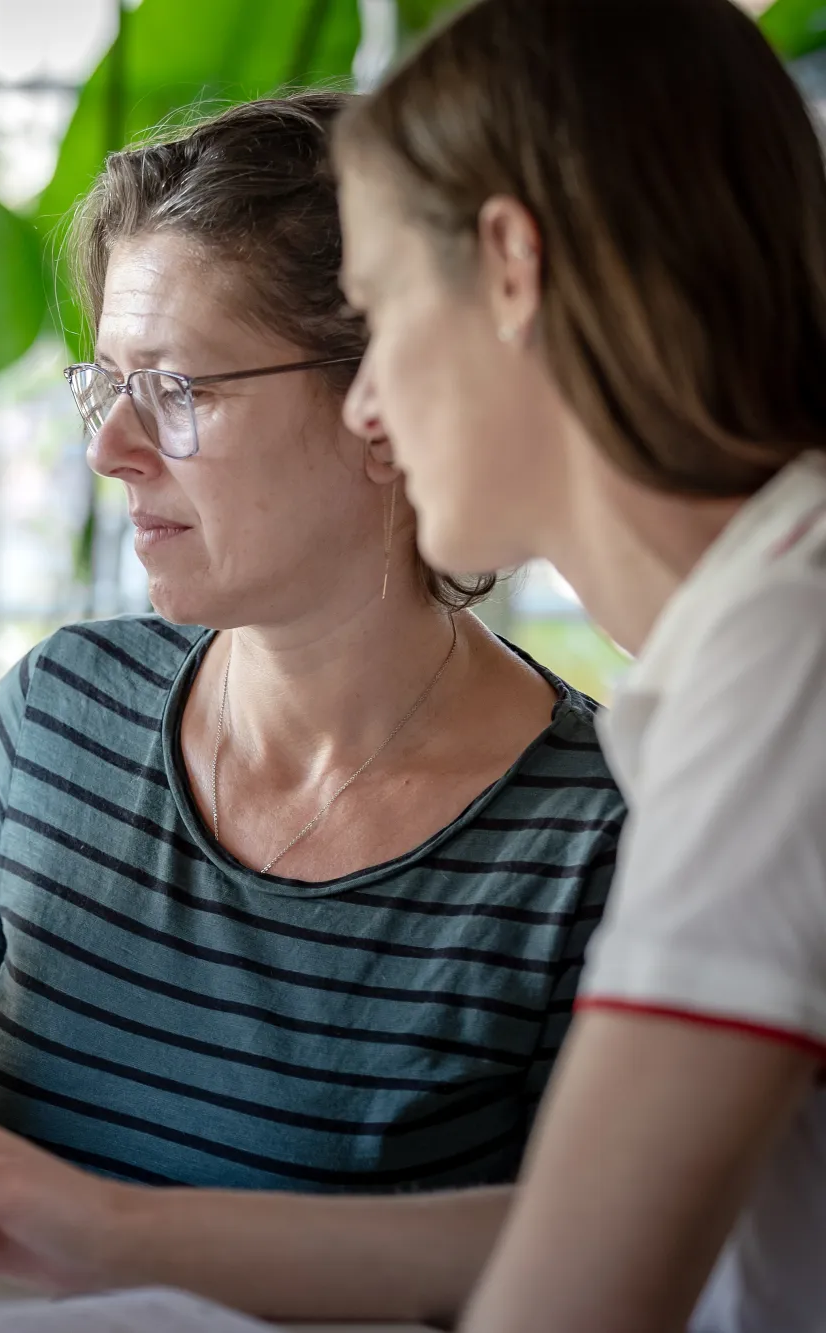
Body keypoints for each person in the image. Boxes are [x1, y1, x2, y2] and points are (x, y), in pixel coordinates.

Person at [0, 94, 625, 1322]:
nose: (110, 448)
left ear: (382, 408)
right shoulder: (57, 715)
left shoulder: (587, 835)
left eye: (179, 389)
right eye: (109, 383)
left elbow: (585, 1262)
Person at [332, 1, 826, 1330]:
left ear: (508, 263)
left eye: (375, 310)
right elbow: (608, 1214)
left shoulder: (789, 652)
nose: (363, 401)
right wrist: (95, 1226)